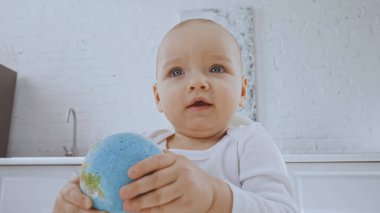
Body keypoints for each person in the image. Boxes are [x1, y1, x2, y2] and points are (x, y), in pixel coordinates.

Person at [53, 19, 297, 213]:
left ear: (242, 91)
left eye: (216, 69)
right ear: (158, 97)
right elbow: (92, 189)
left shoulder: (249, 143)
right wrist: (70, 204)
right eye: (177, 71)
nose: (197, 82)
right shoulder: (145, 148)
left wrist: (213, 198)